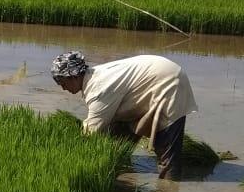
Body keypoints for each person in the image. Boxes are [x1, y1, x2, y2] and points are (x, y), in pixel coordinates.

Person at [51, 51, 198, 179]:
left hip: (170, 82)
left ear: (74, 76)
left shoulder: (99, 89)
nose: (63, 88)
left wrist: (69, 156)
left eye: (63, 83)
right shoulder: (93, 78)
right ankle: (122, 167)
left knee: (167, 154)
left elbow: (91, 131)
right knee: (117, 138)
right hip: (155, 76)